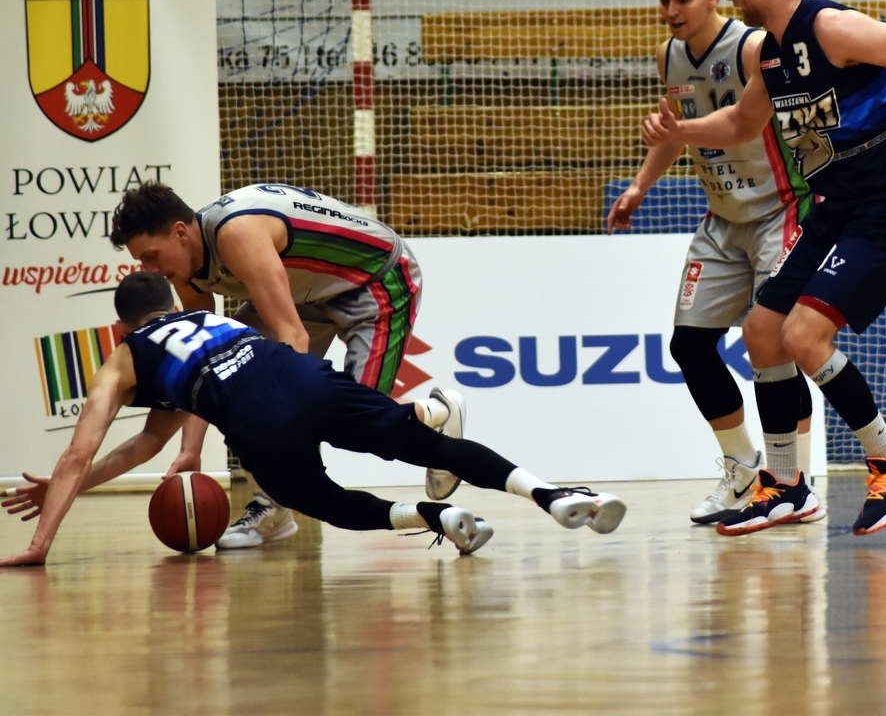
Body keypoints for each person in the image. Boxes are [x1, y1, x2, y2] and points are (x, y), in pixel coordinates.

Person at [643, 0, 886, 536]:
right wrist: (679, 131)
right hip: (834, 210)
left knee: (802, 338)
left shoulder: (830, 27)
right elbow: (740, 123)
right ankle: (786, 486)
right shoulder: (771, 55)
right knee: (762, 333)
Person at [0, 272, 626, 567]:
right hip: (297, 372)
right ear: (170, 303)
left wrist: (42, 537)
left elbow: (89, 452)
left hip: (255, 415)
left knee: (322, 501)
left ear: (122, 323)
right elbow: (153, 440)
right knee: (423, 446)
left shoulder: (122, 359)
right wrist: (67, 487)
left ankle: (433, 516)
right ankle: (552, 494)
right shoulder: (209, 317)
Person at [109, 181, 456, 550]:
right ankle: (272, 510)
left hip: (373, 279)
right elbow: (206, 365)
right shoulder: (187, 268)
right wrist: (190, 450)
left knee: (352, 420)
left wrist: (286, 429)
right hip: (301, 292)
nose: (148, 269)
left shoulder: (236, 233)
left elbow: (293, 338)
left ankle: (437, 414)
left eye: (150, 255)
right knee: (238, 383)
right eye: (141, 261)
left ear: (180, 232)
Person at [607, 0, 820, 525]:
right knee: (689, 346)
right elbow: (675, 132)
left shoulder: (752, 46)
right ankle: (743, 468)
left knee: (773, 343)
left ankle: (796, 483)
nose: (671, 11)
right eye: (663, 0)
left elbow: (748, 123)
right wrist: (639, 186)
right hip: (722, 220)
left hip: (779, 212)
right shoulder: (668, 55)